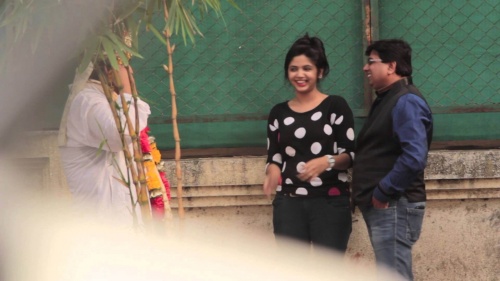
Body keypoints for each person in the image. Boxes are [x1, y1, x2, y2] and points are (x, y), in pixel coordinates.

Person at [263, 34, 355, 252]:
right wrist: (272, 172)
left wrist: (328, 161)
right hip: (289, 202)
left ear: (320, 72)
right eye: (294, 69)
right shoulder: (278, 112)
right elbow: (274, 156)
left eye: (307, 68)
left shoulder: (336, 106)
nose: (300, 74)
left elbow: (350, 155)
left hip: (330, 202)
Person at [352, 39, 433, 280]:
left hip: (394, 204)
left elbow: (414, 157)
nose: (366, 68)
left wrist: (383, 192)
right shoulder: (389, 98)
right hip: (389, 205)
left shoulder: (405, 101)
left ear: (391, 66)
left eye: (372, 62)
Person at [58, 60, 151, 227]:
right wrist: (127, 90)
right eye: (125, 66)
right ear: (110, 71)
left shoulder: (101, 98)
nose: (131, 71)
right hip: (103, 228)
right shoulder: (88, 101)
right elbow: (122, 133)